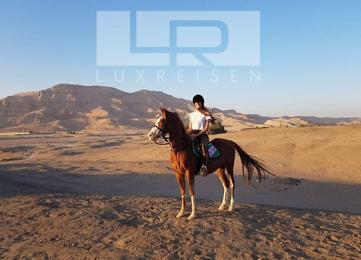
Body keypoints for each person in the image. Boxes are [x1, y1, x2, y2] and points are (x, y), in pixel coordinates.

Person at [187, 94, 214, 176]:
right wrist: (185, 134)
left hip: (202, 135)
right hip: (192, 134)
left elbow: (206, 128)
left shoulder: (206, 114)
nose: (197, 104)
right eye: (195, 103)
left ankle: (204, 167)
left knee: (203, 149)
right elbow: (190, 128)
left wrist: (197, 135)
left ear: (202, 103)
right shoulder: (191, 115)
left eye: (199, 103)